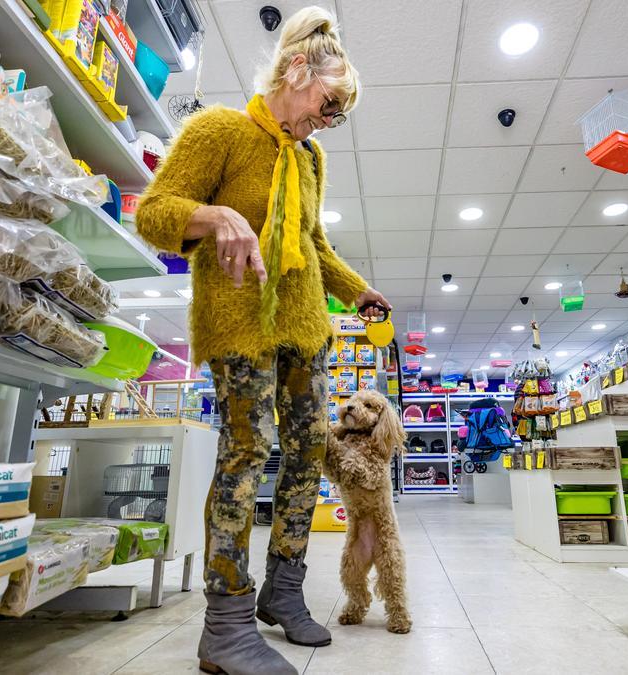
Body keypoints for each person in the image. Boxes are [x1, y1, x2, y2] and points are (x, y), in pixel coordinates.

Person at [134, 7, 388, 675]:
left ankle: (283, 590)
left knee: (308, 452)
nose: (327, 120)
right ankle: (224, 621)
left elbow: (314, 244)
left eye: (337, 114)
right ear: (297, 71)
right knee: (248, 453)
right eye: (328, 105)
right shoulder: (219, 130)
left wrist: (357, 289)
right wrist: (216, 216)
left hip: (305, 326)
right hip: (239, 322)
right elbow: (154, 214)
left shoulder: (311, 157)